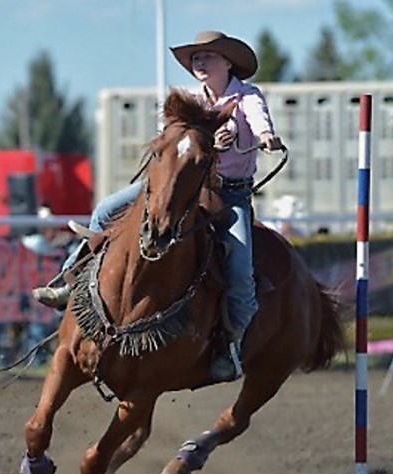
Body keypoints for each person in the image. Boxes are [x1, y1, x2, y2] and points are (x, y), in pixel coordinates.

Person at [33, 30, 282, 382]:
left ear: (228, 62)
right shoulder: (190, 102)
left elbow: (259, 123)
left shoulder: (248, 98)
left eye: (207, 56)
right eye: (195, 56)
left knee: (240, 272)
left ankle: (230, 344)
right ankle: (69, 280)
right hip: (179, 186)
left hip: (229, 195)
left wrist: (263, 136)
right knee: (105, 210)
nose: (199, 61)